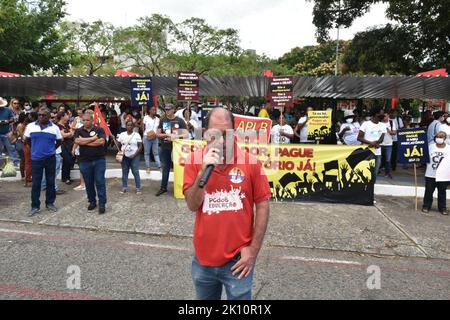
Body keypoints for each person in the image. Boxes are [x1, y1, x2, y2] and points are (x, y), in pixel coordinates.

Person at [183, 107, 271, 300]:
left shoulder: (251, 162)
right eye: (215, 134)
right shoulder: (194, 161)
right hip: (203, 260)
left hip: (239, 260)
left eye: (226, 134)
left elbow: (263, 205)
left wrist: (253, 251)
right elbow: (192, 205)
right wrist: (201, 173)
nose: (221, 141)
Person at [23, 107, 63, 217]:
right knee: (36, 183)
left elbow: (59, 141)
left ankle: (50, 203)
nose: (41, 116)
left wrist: (50, 150)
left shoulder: (54, 128)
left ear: (49, 116)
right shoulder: (31, 126)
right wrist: (35, 149)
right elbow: (26, 140)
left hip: (50, 158)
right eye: (39, 115)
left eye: (43, 115)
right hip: (36, 159)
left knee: (50, 181)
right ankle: (35, 206)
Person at [74, 111, 107, 214]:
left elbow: (101, 142)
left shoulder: (99, 129)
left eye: (87, 120)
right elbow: (77, 141)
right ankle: (92, 202)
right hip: (84, 161)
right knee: (88, 183)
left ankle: (102, 203)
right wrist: (93, 139)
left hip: (99, 160)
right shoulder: (78, 131)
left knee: (100, 181)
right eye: (83, 120)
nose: (85, 122)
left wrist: (84, 142)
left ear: (92, 120)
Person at [155, 104, 188, 196]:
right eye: (166, 109)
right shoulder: (163, 120)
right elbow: (157, 134)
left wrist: (176, 137)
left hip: (177, 149)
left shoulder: (180, 121)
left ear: (173, 110)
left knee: (179, 168)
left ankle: (181, 188)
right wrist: (167, 135)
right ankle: (163, 187)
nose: (167, 111)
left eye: (169, 109)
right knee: (165, 167)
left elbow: (186, 134)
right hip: (165, 147)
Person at [422, 131, 450, 216]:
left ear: (445, 138)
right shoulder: (431, 147)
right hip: (430, 174)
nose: (439, 138)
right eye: (438, 136)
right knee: (429, 191)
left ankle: (443, 208)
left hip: (443, 175)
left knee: (442, 192)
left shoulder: (448, 148)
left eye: (441, 137)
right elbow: (424, 157)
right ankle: (426, 206)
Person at [358, 106, 387, 183]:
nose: (383, 115)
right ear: (375, 114)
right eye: (381, 114)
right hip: (366, 152)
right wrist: (370, 143)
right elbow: (359, 137)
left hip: (377, 152)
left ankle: (372, 188)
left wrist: (376, 143)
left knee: (374, 172)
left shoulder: (383, 125)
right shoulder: (366, 124)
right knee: (364, 171)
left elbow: (381, 139)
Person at [117, 120, 143, 194]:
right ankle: (124, 187)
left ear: (133, 126)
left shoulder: (137, 135)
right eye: (128, 125)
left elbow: (140, 146)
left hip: (135, 156)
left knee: (135, 171)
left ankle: (138, 188)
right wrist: (120, 152)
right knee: (125, 171)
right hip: (125, 156)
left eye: (131, 125)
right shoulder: (122, 134)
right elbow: (118, 144)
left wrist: (134, 155)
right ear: (125, 126)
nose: (129, 126)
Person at [57, 112, 75, 185]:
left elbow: (72, 134)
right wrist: (69, 134)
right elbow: (63, 135)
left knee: (68, 160)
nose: (68, 116)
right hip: (62, 145)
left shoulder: (67, 125)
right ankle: (65, 178)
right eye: (67, 115)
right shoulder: (58, 126)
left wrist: (68, 134)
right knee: (67, 159)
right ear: (62, 117)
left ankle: (66, 177)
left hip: (69, 144)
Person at [0, 97, 19, 166]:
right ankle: (1, 165)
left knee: (11, 148)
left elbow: (12, 118)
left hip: (7, 133)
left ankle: (16, 163)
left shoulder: (8, 110)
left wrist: (7, 121)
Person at [142, 106, 161, 173]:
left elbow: (159, 128)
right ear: (149, 110)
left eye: (155, 110)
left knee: (155, 153)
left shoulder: (158, 119)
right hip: (147, 136)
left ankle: (159, 166)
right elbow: (143, 128)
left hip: (155, 137)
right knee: (147, 153)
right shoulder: (145, 118)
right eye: (153, 110)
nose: (154, 111)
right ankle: (148, 167)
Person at [380, 114, 398, 179]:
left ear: (388, 116)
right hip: (380, 144)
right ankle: (377, 171)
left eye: (385, 116)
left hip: (389, 144)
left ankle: (387, 173)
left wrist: (388, 130)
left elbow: (394, 133)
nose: (384, 117)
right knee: (379, 158)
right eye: (383, 116)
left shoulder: (391, 122)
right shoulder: (379, 123)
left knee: (388, 159)